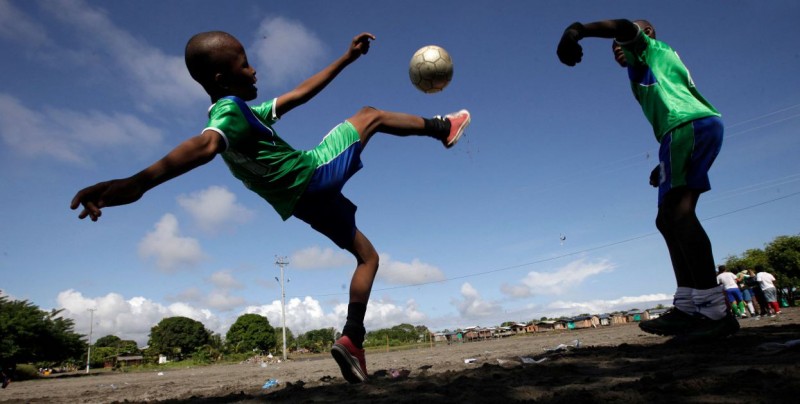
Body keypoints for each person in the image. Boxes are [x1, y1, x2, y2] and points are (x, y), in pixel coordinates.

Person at [70, 31, 471, 384]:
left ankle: (352, 339)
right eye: (244, 64)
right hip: (313, 175)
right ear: (221, 78)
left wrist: (346, 59)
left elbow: (300, 94)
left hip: (302, 204)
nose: (254, 70)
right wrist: (136, 183)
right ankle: (443, 128)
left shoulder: (245, 116)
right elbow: (206, 145)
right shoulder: (228, 114)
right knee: (370, 115)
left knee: (368, 258)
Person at [557, 19, 736, 340]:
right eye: (613, 46)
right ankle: (688, 306)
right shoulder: (647, 63)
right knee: (667, 220)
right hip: (676, 135)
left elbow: (623, 25)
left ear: (646, 34)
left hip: (687, 125)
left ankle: (713, 311)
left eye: (619, 42)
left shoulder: (648, 49)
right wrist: (663, 162)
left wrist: (578, 30)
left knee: (680, 215)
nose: (616, 48)